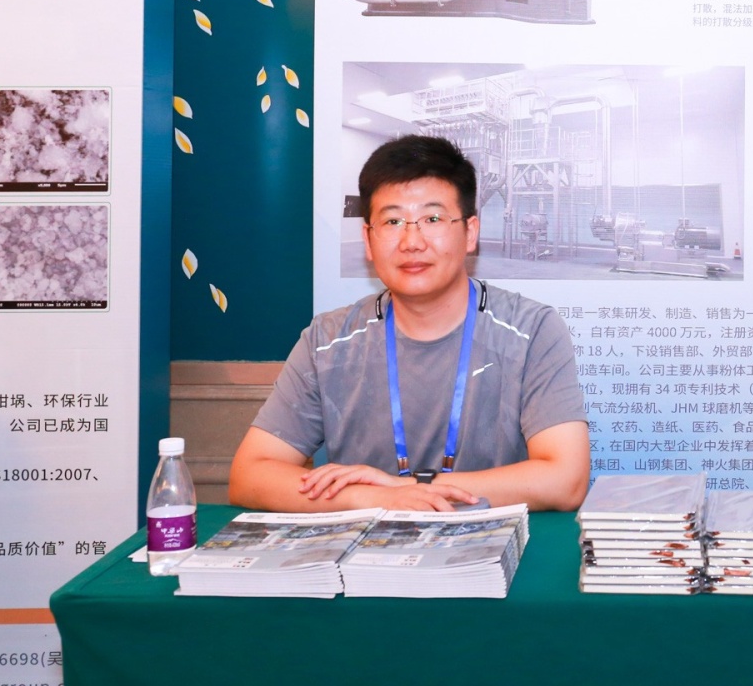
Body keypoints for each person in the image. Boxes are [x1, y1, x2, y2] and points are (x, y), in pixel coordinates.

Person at [228, 134, 589, 512]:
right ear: (368, 239)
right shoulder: (328, 340)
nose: (411, 241)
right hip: (368, 544)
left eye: (432, 219)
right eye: (393, 221)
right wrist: (374, 497)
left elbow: (566, 480)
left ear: (470, 232)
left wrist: (412, 489)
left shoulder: (531, 331)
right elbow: (250, 475)